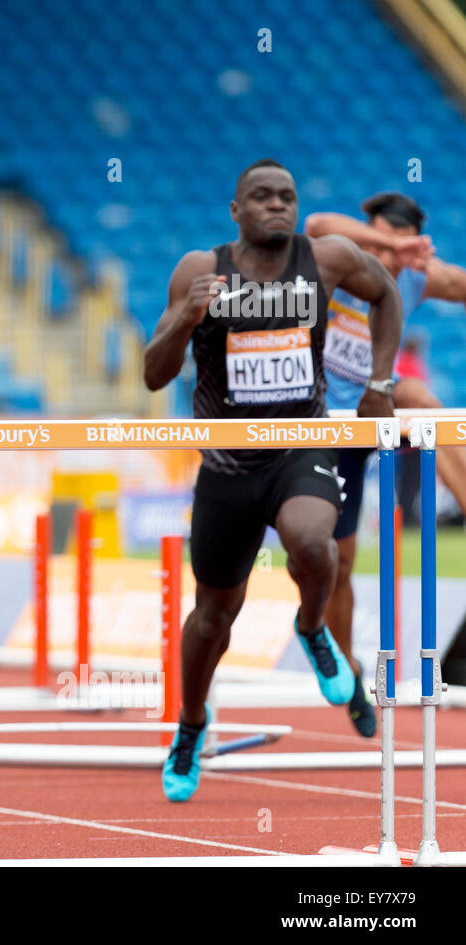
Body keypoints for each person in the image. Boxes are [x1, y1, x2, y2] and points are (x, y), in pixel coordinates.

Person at [144, 159, 401, 801]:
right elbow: (153, 373)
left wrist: (380, 381)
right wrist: (184, 320)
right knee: (213, 617)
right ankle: (191, 723)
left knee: (315, 543)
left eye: (287, 196)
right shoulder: (200, 271)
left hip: (300, 447)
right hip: (228, 464)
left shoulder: (330, 259)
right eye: (261, 197)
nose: (277, 206)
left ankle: (312, 628)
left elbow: (387, 295)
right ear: (236, 211)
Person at [304, 193, 466, 736]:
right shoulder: (338, 257)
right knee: (337, 564)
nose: (388, 261)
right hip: (323, 422)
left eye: (398, 254)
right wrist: (391, 244)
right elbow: (319, 222)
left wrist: (412, 258)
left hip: (376, 408)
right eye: (378, 244)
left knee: (418, 392)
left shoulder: (416, 275)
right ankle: (348, 670)